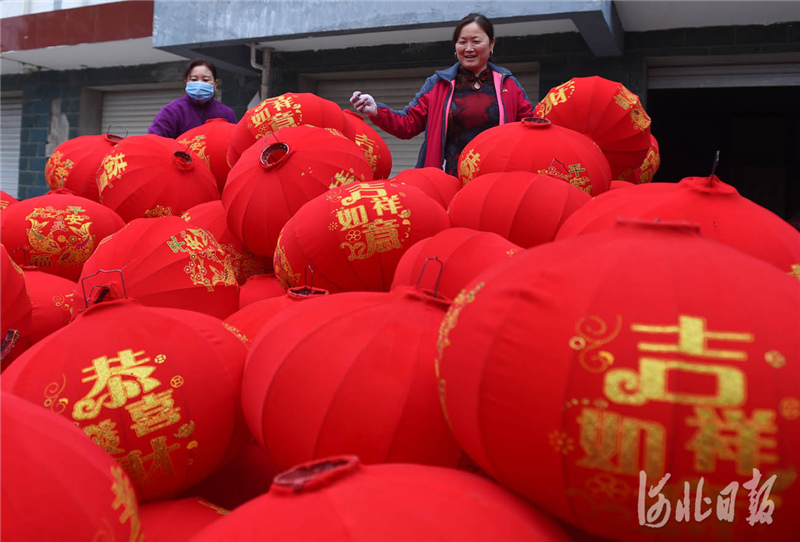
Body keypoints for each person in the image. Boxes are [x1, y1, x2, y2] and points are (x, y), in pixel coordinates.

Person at [350, 13, 534, 176]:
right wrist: (375, 110)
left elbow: (531, 125)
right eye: (462, 42)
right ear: (455, 46)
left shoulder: (508, 84)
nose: (468, 48)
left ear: (491, 43)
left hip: (494, 178)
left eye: (476, 41)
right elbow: (408, 124)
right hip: (446, 179)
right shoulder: (438, 84)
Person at [148, 59, 237, 138]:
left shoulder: (226, 113)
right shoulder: (172, 112)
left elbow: (235, 143)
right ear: (186, 82)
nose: (199, 83)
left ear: (215, 84)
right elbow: (155, 142)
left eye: (206, 80)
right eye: (194, 79)